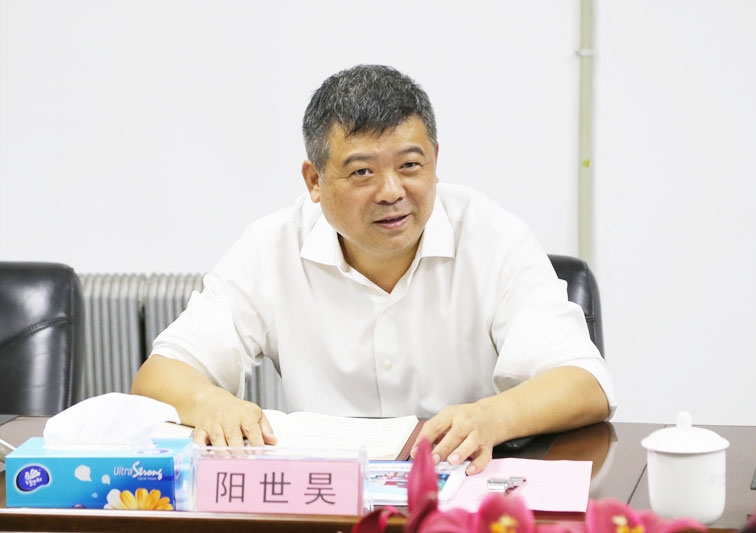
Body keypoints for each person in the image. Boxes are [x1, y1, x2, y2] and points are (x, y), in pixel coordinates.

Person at [131, 64, 616, 475]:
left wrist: (492, 418)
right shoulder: (270, 247)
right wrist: (211, 403)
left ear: (435, 162)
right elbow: (161, 375)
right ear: (314, 180)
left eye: (410, 165)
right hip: (326, 496)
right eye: (362, 171)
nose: (391, 192)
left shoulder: (494, 238)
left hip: (461, 487)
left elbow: (585, 382)